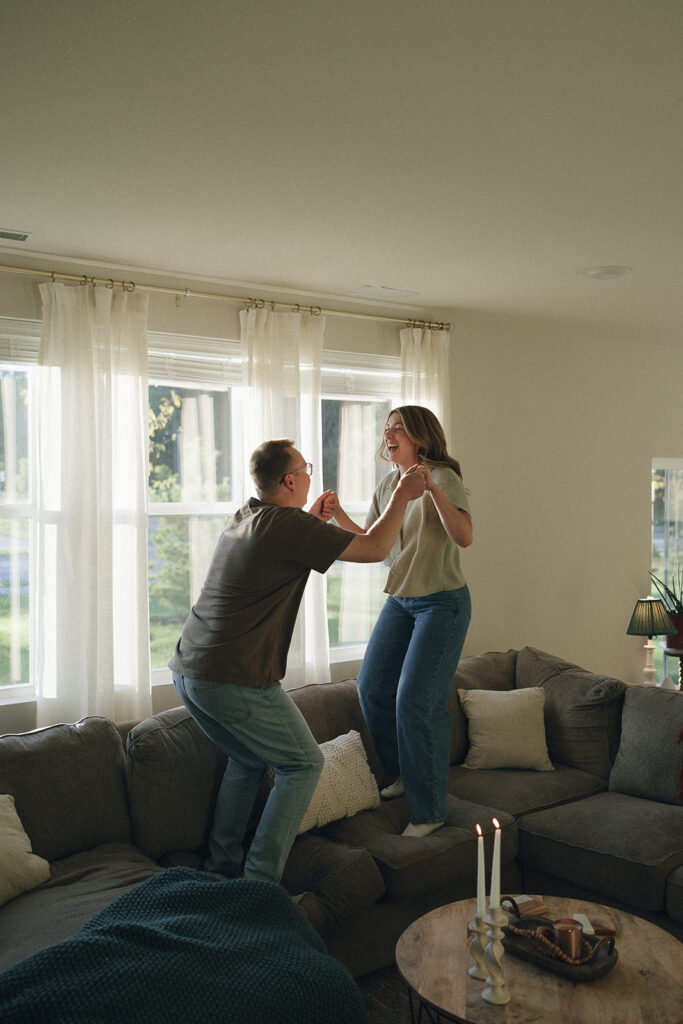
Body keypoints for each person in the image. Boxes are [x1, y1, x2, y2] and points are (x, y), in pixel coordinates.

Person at [169, 437, 426, 885]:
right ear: (289, 480)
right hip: (234, 678)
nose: (310, 473)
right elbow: (375, 549)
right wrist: (402, 495)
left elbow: (281, 549)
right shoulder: (287, 527)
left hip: (191, 673)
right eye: (305, 468)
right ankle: (260, 883)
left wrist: (311, 522)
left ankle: (222, 866)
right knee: (304, 763)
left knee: (247, 761)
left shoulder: (249, 517)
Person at [326, 406, 472, 838]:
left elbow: (464, 537)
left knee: (415, 700)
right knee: (371, 687)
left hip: (442, 603)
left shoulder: (444, 477)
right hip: (402, 602)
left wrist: (430, 491)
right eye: (386, 428)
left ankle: (429, 811)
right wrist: (336, 516)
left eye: (398, 429)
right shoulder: (389, 483)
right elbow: (374, 541)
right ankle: (406, 772)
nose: (389, 435)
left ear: (419, 438)